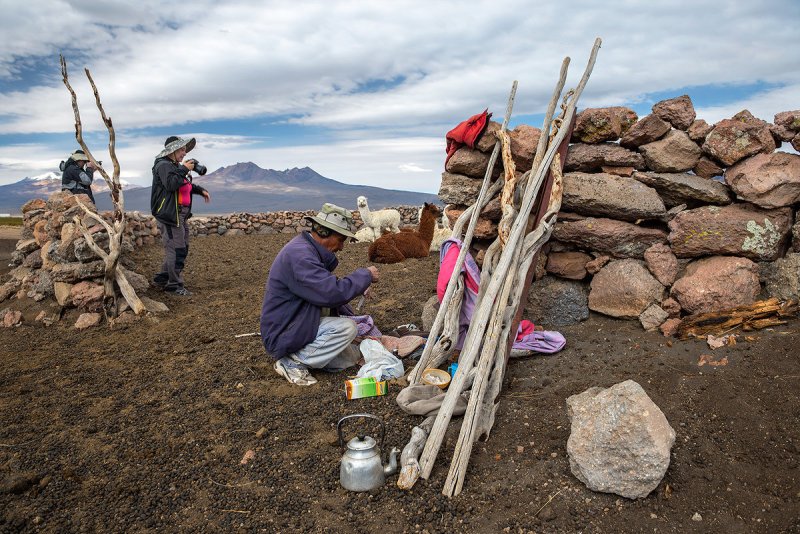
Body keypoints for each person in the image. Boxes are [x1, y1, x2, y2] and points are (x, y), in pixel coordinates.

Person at [260, 203, 380, 386]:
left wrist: (358, 287)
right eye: (340, 240)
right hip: (284, 332)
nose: (341, 247)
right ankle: (292, 362)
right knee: (347, 328)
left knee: (353, 356)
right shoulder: (301, 256)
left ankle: (309, 358)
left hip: (297, 323)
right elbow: (331, 293)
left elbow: (321, 287)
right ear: (324, 233)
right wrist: (366, 275)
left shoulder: (304, 251)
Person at [150, 136, 211, 296]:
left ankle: (162, 278)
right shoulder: (163, 165)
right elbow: (171, 184)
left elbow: (183, 184)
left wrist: (199, 190)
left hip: (180, 215)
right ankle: (174, 286)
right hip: (170, 215)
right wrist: (184, 169)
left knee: (181, 248)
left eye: (185, 150)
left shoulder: (174, 166)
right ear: (173, 150)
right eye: (182, 149)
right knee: (177, 249)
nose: (185, 153)